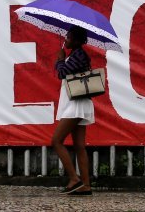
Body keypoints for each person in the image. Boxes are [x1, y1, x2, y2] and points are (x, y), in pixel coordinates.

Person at [51, 26, 94, 196]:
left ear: (76, 40)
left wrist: (60, 60)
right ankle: (86, 185)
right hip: (76, 103)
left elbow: (63, 73)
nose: (65, 40)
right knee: (79, 146)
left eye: (68, 37)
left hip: (76, 105)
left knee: (56, 140)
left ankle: (74, 179)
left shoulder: (80, 55)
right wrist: (63, 59)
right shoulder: (76, 54)